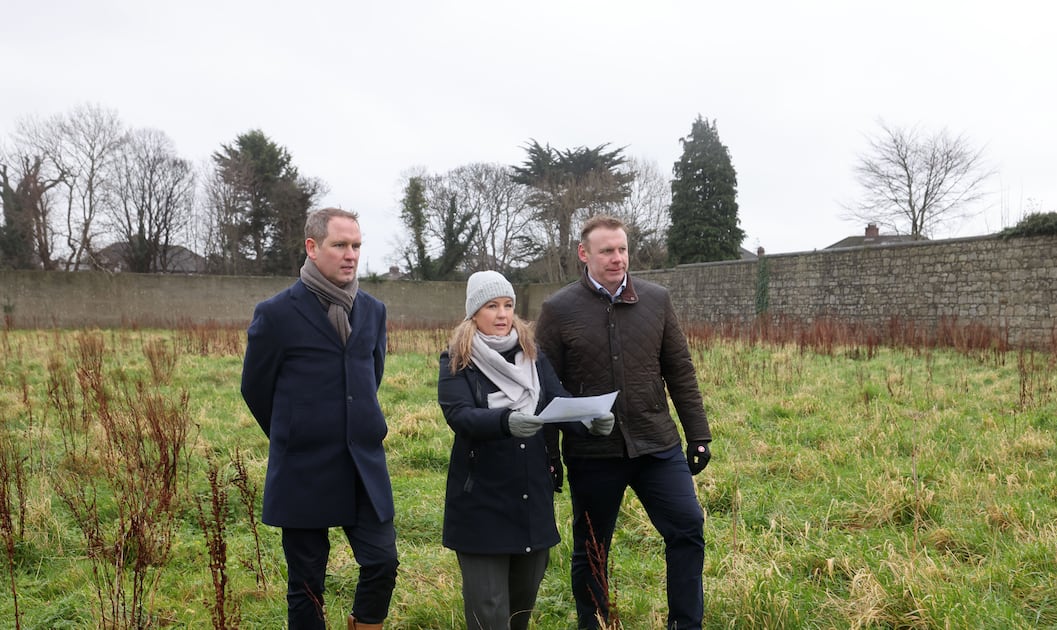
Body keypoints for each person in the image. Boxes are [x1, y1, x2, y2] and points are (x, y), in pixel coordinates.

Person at [536, 215, 712, 630]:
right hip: (593, 452)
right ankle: (596, 624)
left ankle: (686, 625)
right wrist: (549, 455)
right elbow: (544, 386)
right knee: (592, 549)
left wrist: (698, 435)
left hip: (656, 444)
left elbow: (680, 370)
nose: (617, 259)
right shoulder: (558, 310)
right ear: (584, 254)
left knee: (687, 528)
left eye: (622, 250)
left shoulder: (656, 300)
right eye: (607, 251)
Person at [241, 207, 398, 630]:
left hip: (362, 465)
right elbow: (255, 388)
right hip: (303, 469)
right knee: (307, 585)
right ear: (312, 247)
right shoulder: (276, 314)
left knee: (382, 561)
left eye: (357, 245)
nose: (351, 255)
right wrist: (295, 432)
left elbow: (371, 376)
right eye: (340, 245)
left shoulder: (373, 310)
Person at [438, 270, 614, 630]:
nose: (502, 314)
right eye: (492, 306)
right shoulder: (458, 359)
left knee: (520, 609)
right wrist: (505, 422)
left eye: (508, 305)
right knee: (489, 612)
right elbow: (460, 415)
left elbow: (557, 403)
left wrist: (589, 423)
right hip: (481, 501)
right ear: (474, 312)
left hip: (530, 497)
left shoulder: (533, 356)